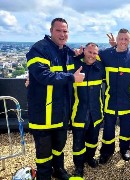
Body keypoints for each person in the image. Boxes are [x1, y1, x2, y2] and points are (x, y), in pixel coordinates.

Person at [26, 18, 85, 180]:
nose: (62, 34)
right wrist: (71, 78)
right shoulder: (39, 49)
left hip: (61, 113)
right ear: (51, 31)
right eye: (58, 30)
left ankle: (58, 170)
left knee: (59, 147)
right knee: (44, 154)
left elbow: (86, 58)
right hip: (43, 114)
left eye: (65, 31)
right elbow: (43, 75)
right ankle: (44, 176)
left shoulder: (66, 52)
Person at [98, 28, 130, 164]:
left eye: (126, 39)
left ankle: (124, 149)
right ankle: (106, 151)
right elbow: (89, 56)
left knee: (127, 128)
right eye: (121, 38)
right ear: (116, 39)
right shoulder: (106, 54)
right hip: (109, 100)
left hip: (128, 100)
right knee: (108, 129)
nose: (123, 41)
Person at [70, 42, 105, 177]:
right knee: (78, 141)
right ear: (84, 51)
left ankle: (89, 158)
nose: (92, 55)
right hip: (79, 111)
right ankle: (78, 166)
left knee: (93, 138)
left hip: (96, 111)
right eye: (89, 52)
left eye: (95, 53)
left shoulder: (100, 67)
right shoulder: (75, 65)